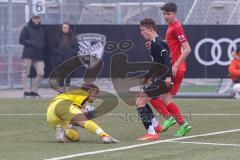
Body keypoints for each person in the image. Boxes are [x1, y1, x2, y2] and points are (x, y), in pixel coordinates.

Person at [145, 2, 192, 137]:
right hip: (173, 68)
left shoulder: (176, 27)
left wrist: (176, 65)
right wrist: (153, 44)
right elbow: (168, 47)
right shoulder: (171, 26)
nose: (166, 16)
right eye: (164, 14)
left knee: (151, 94)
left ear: (174, 13)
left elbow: (187, 49)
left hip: (175, 68)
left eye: (168, 13)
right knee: (166, 98)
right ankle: (183, 124)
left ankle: (171, 119)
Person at [136, 18, 173, 141]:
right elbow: (157, 64)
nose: (141, 33)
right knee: (141, 99)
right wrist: (147, 77)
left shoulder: (158, 43)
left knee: (139, 102)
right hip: (160, 78)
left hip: (163, 79)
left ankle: (151, 132)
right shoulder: (154, 43)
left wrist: (169, 76)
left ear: (151, 29)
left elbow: (167, 60)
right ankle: (156, 126)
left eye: (143, 30)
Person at [47, 83, 119, 143]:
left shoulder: (72, 94)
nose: (96, 95)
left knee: (76, 137)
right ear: (90, 90)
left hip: (51, 112)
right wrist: (87, 112)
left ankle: (63, 130)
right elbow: (75, 109)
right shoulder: (83, 93)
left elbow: (71, 113)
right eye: (96, 92)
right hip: (63, 105)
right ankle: (105, 136)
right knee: (83, 121)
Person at [19, 14, 46, 98]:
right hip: (28, 54)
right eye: (35, 18)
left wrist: (41, 45)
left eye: (38, 18)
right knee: (25, 73)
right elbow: (21, 40)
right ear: (32, 19)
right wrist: (32, 43)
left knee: (41, 72)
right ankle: (26, 91)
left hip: (38, 55)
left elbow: (44, 40)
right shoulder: (26, 28)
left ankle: (34, 91)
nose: (36, 20)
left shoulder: (41, 29)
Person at [53, 22, 79, 92]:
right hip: (60, 59)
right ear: (62, 28)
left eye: (66, 27)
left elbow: (77, 48)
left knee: (69, 74)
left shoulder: (73, 37)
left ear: (69, 28)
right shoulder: (57, 36)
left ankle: (67, 87)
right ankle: (61, 88)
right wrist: (59, 52)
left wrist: (70, 52)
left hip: (70, 59)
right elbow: (54, 48)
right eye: (64, 27)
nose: (65, 29)